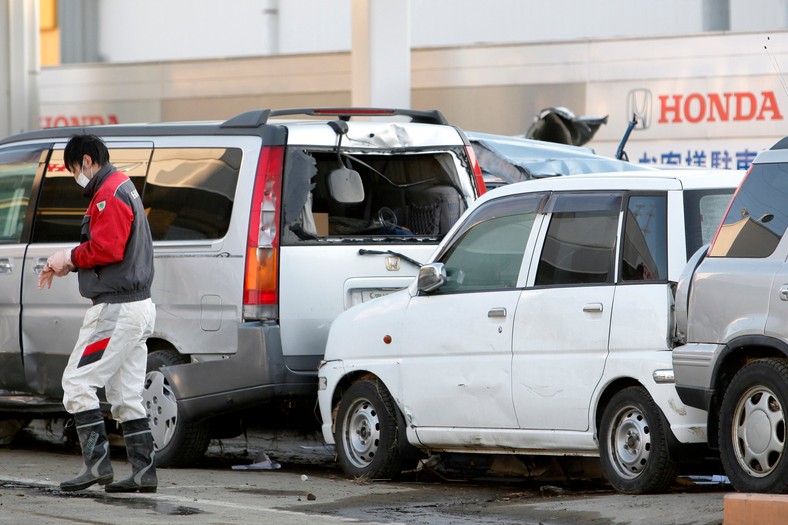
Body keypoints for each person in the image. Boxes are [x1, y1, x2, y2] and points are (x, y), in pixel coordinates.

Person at [38, 134, 157, 493]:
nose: (76, 177)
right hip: (138, 306)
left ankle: (96, 466)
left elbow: (107, 248)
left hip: (116, 310)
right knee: (125, 396)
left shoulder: (109, 194)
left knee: (76, 383)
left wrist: (68, 258)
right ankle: (143, 472)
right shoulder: (124, 186)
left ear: (87, 161)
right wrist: (71, 262)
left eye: (74, 169)